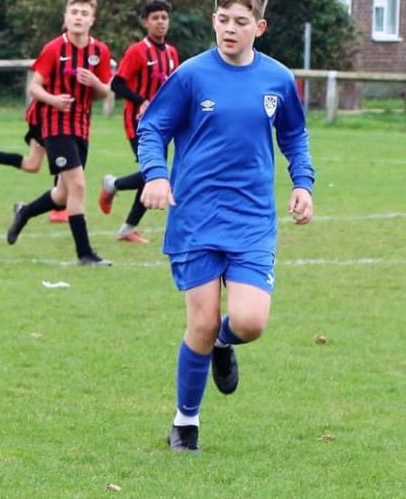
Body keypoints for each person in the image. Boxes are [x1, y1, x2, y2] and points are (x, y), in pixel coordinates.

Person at [135, 0, 315, 452]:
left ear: (260, 26)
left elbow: (294, 134)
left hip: (252, 218)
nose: (229, 29)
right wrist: (156, 174)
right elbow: (152, 128)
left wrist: (303, 183)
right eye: (222, 20)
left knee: (250, 322)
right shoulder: (191, 75)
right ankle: (185, 423)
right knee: (200, 321)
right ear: (213, 21)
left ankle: (223, 341)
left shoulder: (277, 79)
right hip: (196, 216)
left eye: (240, 22)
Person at [0, 0, 113, 265]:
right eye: (74, 12)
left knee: (63, 195)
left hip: (81, 126)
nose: (78, 17)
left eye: (84, 13)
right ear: (65, 17)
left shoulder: (99, 51)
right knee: (77, 185)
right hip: (54, 125)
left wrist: (96, 83)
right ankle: (85, 254)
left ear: (92, 20)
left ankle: (25, 212)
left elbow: (105, 92)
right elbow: (35, 86)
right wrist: (53, 100)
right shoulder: (54, 48)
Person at [97, 0, 180, 245]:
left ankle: (127, 226)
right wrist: (141, 101)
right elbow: (117, 83)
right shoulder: (137, 51)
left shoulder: (172, 53)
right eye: (155, 18)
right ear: (145, 22)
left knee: (151, 174)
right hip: (138, 123)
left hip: (163, 124)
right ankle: (113, 186)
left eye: (164, 17)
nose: (160, 22)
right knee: (152, 172)